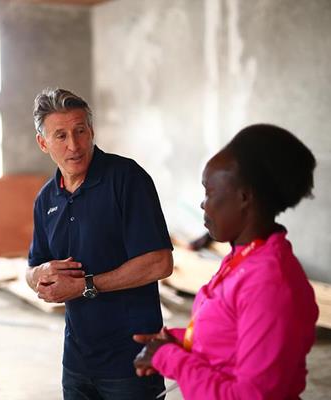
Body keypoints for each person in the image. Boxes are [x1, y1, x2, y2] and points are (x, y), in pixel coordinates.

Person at [133, 124, 319, 399]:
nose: (203, 204)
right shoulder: (245, 256)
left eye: (209, 192)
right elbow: (230, 335)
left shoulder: (268, 282)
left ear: (244, 197)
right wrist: (181, 339)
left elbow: (249, 396)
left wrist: (170, 358)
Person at [26, 88, 174, 399]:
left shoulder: (127, 179)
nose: (74, 145)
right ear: (43, 143)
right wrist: (40, 273)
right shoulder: (46, 199)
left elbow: (160, 262)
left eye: (80, 131)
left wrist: (85, 285)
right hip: (77, 361)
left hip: (131, 360)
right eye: (61, 135)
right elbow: (32, 268)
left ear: (91, 131)